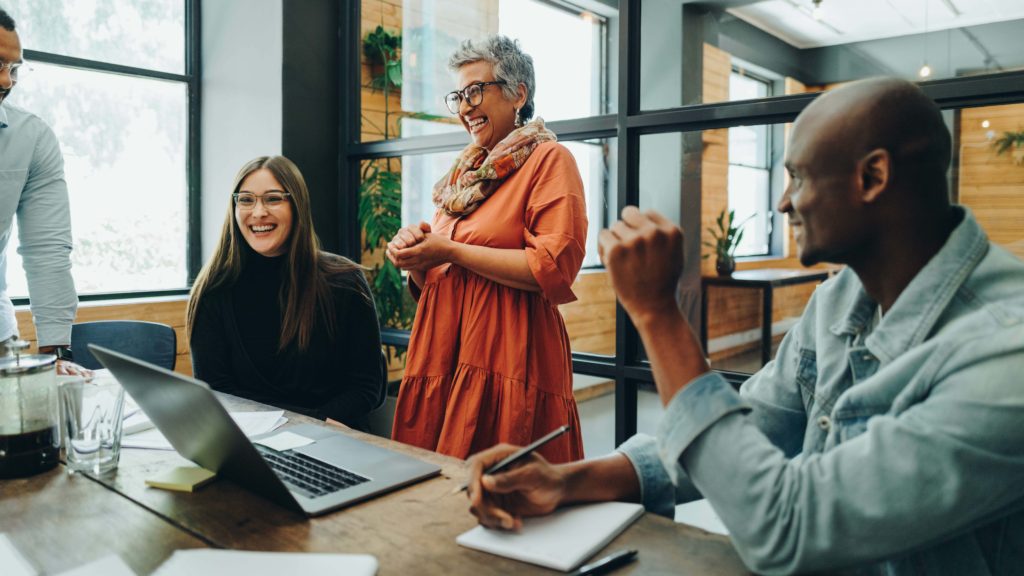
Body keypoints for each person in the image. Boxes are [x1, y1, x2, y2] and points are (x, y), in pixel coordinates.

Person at [465, 78, 1024, 574]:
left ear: (873, 176)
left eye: (798, 177)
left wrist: (658, 315)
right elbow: (746, 430)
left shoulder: (1005, 355)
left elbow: (787, 527)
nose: (783, 203)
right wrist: (569, 481)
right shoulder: (838, 301)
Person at [386, 36, 586, 463]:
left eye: (476, 90)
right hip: (442, 354)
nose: (464, 107)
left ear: (519, 94)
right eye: (458, 96)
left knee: (506, 493)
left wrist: (450, 250)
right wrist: (417, 257)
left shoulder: (549, 160)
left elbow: (551, 268)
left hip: (508, 356)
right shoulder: (462, 177)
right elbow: (437, 279)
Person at [187, 156, 382, 430]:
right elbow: (217, 390)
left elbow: (366, 387)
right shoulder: (213, 289)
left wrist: (313, 425)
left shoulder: (345, 281)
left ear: (297, 205)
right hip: (248, 441)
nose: (258, 212)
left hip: (331, 438)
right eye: (246, 200)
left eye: (273, 199)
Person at [0, 7, 85, 375]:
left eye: (13, 69)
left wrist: (55, 356)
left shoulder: (31, 138)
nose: (6, 81)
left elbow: (46, 250)